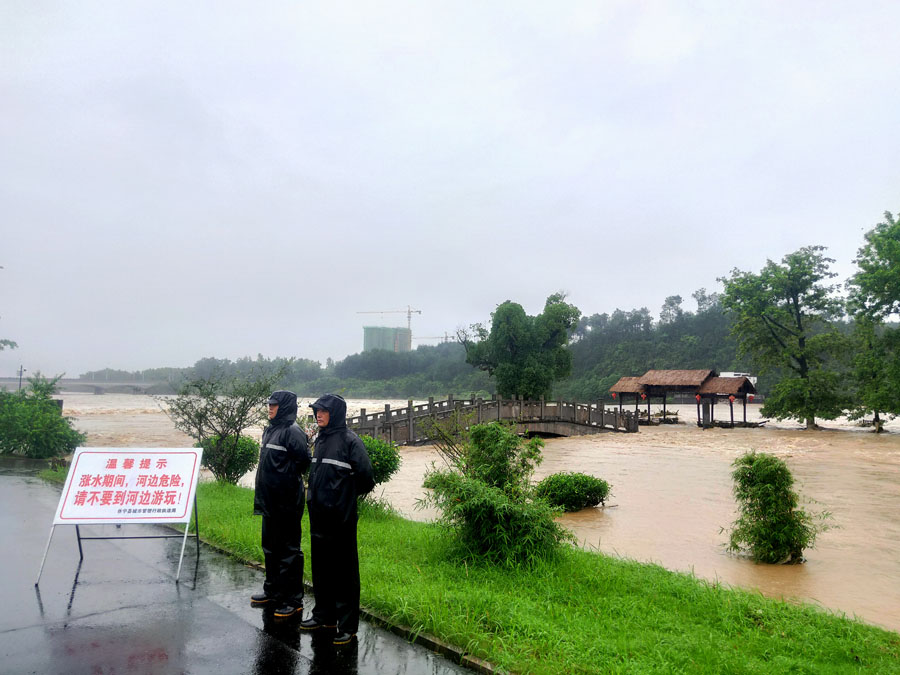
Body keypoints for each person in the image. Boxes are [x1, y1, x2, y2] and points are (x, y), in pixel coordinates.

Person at [300, 393, 374, 645]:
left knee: (345, 573)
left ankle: (347, 626)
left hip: (341, 519)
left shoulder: (350, 441)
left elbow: (366, 478)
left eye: (323, 411)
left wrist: (343, 497)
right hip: (318, 516)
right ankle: (324, 616)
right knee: (321, 569)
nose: (318, 415)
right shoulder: (320, 439)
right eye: (316, 411)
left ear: (336, 413)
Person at [251, 390, 311, 621]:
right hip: (269, 501)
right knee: (270, 547)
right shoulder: (270, 430)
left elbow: (303, 462)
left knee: (289, 552)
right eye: (269, 404)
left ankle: (293, 600)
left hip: (287, 502)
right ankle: (273, 591)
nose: (270, 408)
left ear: (284, 407)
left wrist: (284, 482)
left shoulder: (293, 432)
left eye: (274, 405)